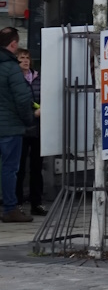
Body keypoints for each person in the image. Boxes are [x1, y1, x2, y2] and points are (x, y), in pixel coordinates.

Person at [0, 28, 36, 223]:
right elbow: (22, 99)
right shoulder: (12, 68)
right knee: (9, 169)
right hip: (10, 128)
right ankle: (10, 208)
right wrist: (29, 119)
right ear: (13, 44)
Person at [14, 48, 43, 216]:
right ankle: (17, 202)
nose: (25, 61)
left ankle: (36, 202)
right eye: (21, 58)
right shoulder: (16, 80)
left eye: (27, 58)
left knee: (36, 167)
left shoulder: (38, 78)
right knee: (19, 167)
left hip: (38, 128)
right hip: (22, 128)